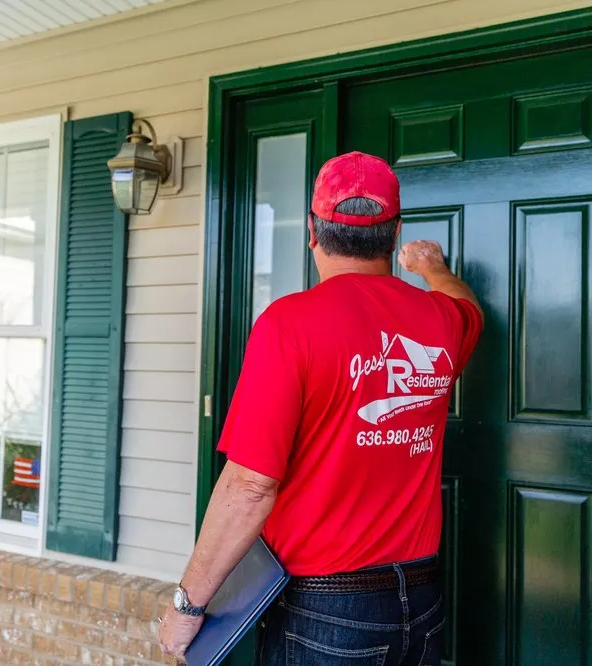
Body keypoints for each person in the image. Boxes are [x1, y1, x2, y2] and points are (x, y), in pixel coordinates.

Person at [158, 151, 484, 664]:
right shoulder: (442, 320)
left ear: (312, 230)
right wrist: (433, 269)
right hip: (421, 600)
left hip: (326, 611)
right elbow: (467, 304)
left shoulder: (289, 324)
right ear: (395, 233)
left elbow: (249, 484)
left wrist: (187, 606)